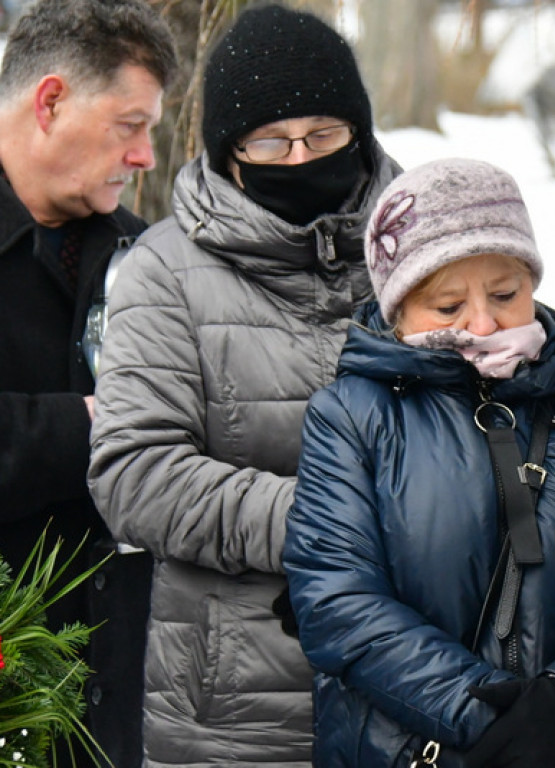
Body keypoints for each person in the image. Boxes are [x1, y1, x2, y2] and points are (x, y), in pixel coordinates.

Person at [283, 157, 555, 767]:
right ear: (398, 311)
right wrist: (484, 715)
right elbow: (336, 599)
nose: (482, 323)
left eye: (504, 294)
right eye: (447, 306)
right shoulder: (351, 416)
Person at [86, 5, 402, 765]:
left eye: (323, 135)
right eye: (270, 141)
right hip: (234, 713)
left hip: (411, 680)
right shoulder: (164, 272)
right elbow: (135, 474)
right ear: (230, 152)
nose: (300, 158)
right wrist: (330, 522)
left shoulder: (418, 250)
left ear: (359, 133)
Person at [0, 0, 176, 764]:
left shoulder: (154, 261)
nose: (145, 156)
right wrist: (96, 424)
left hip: (125, 714)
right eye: (130, 125)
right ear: (50, 102)